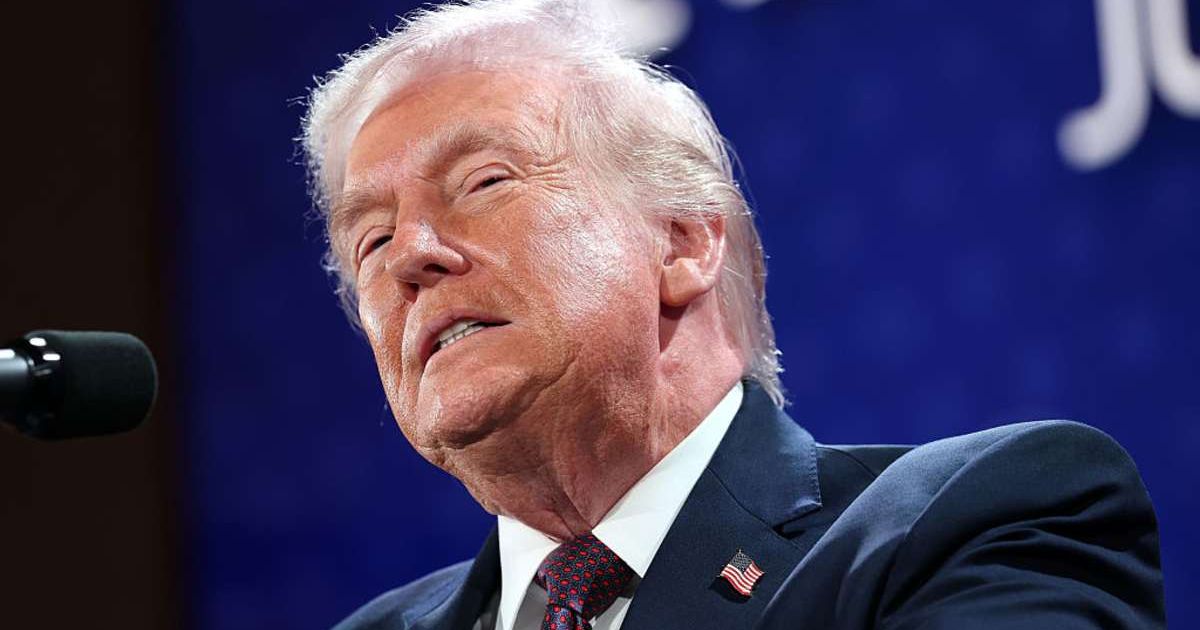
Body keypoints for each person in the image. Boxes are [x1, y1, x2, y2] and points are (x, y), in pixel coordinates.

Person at [300, 2, 1166, 628]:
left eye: (484, 182)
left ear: (681, 243)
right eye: (370, 241)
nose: (410, 255)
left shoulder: (975, 525)